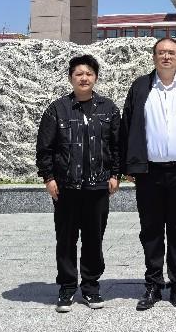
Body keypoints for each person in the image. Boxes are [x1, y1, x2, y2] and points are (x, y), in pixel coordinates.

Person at [120, 37, 176, 311]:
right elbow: (127, 125)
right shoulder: (140, 87)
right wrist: (129, 164)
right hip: (150, 172)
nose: (166, 57)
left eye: (171, 53)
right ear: (154, 57)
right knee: (151, 229)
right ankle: (153, 285)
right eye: (161, 53)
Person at [35, 54, 121, 313]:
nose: (84, 78)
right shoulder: (57, 109)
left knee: (94, 239)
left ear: (96, 77)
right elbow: (44, 148)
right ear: (71, 78)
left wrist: (115, 174)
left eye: (89, 74)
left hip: (98, 187)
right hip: (66, 187)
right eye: (79, 74)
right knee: (66, 239)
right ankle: (67, 287)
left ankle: (91, 287)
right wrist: (49, 178)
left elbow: (117, 146)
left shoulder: (108, 109)